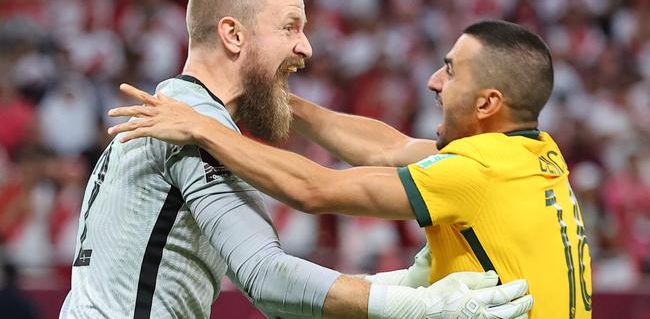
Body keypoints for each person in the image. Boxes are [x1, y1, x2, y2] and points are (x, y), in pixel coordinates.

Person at [61, 0, 533, 319]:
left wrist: (403, 284)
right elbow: (266, 277)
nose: (306, 46)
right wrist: (418, 306)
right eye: (290, 27)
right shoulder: (194, 127)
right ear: (232, 34)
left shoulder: (178, 112)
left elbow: (383, 149)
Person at [108, 20, 592, 319]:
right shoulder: (531, 156)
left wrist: (202, 127)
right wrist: (280, 101)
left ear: (488, 102)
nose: (433, 81)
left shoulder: (475, 173)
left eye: (450, 70)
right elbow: (388, 148)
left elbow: (313, 189)